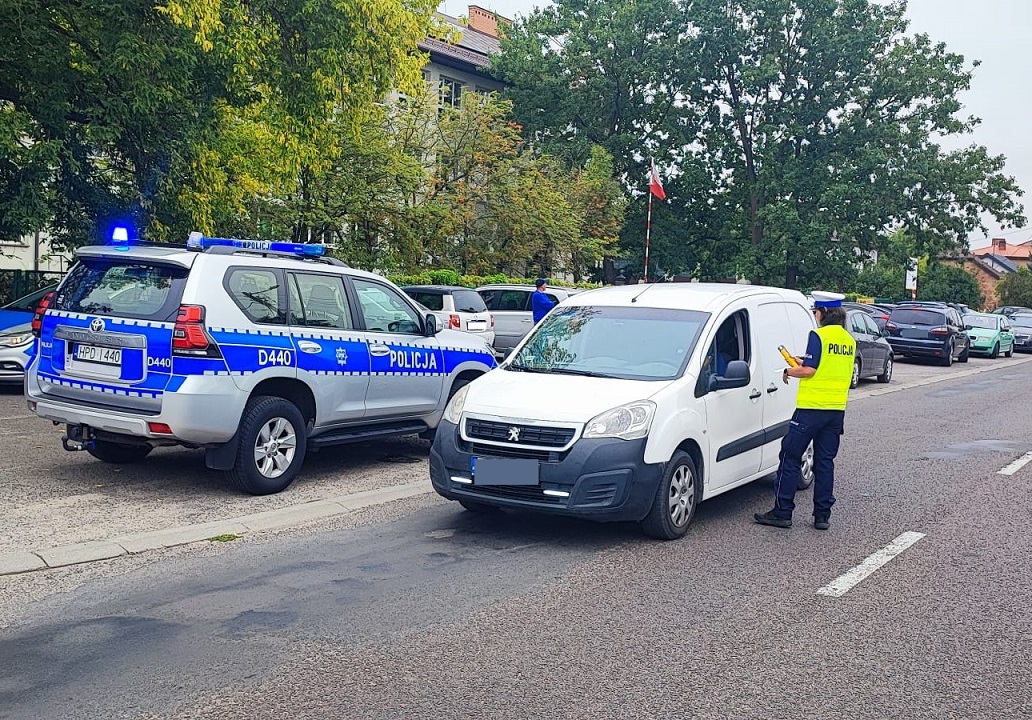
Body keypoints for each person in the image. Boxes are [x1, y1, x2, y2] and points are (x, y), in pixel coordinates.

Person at [754, 291, 856, 530]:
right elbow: (828, 367)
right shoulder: (849, 341)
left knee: (789, 456)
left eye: (816, 311)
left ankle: (783, 512)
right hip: (836, 410)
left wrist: (788, 371)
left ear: (825, 313)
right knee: (825, 461)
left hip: (811, 408)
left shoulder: (818, 335)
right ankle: (822, 516)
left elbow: (810, 371)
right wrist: (804, 361)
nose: (815, 315)